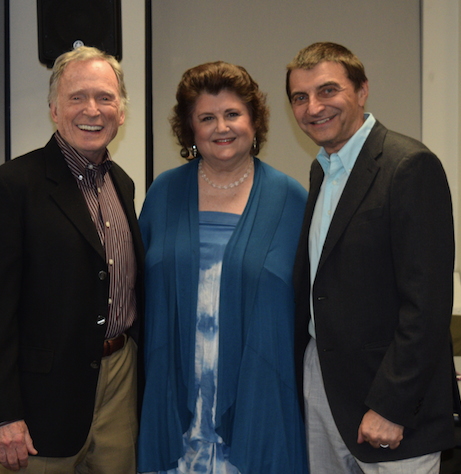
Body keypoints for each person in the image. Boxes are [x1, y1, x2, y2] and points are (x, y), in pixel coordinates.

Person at [0, 46, 144, 473]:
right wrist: (0, 414)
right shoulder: (11, 187)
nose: (92, 110)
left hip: (120, 383)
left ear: (121, 111)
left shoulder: (123, 184)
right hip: (42, 402)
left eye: (105, 97)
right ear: (54, 109)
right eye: (77, 97)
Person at [287, 42, 457, 473]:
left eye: (328, 91)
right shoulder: (322, 170)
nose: (313, 107)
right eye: (300, 97)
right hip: (325, 387)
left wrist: (391, 406)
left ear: (362, 91)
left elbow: (428, 306)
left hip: (389, 404)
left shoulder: (409, 167)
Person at [136, 61, 308, 474]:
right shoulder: (163, 193)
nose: (221, 127)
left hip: (259, 397)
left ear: (254, 120)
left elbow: (313, 302)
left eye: (232, 114)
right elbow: (135, 289)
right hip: (175, 395)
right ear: (189, 129)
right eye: (206, 118)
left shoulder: (290, 199)